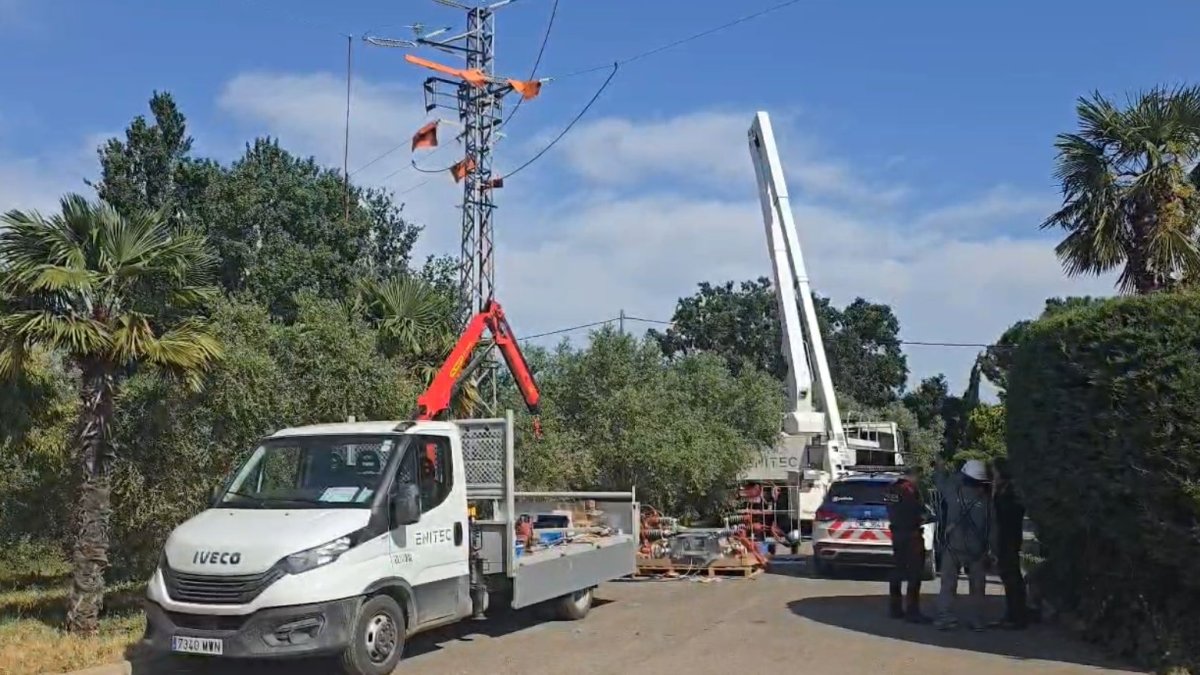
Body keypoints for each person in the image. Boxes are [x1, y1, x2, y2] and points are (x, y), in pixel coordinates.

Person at [932, 457, 994, 631]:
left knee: (948, 584)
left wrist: (940, 468)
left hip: (953, 545)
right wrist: (993, 550)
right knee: (977, 587)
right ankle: (977, 620)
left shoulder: (953, 493)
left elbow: (941, 482)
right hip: (977, 548)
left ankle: (945, 617)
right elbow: (993, 526)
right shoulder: (987, 500)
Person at [884, 465, 931, 622]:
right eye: (919, 477)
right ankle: (912, 611)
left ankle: (895, 608)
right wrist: (924, 517)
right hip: (911, 534)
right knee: (914, 574)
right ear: (915, 475)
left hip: (897, 534)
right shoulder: (909, 490)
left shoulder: (891, 489)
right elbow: (918, 511)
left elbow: (891, 509)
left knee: (898, 571)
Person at [990, 457, 1028, 629]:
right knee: (1008, 576)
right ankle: (1011, 613)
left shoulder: (1011, 491)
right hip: (1005, 537)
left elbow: (1008, 514)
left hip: (1009, 538)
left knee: (1012, 576)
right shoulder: (1004, 489)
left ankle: (1017, 616)